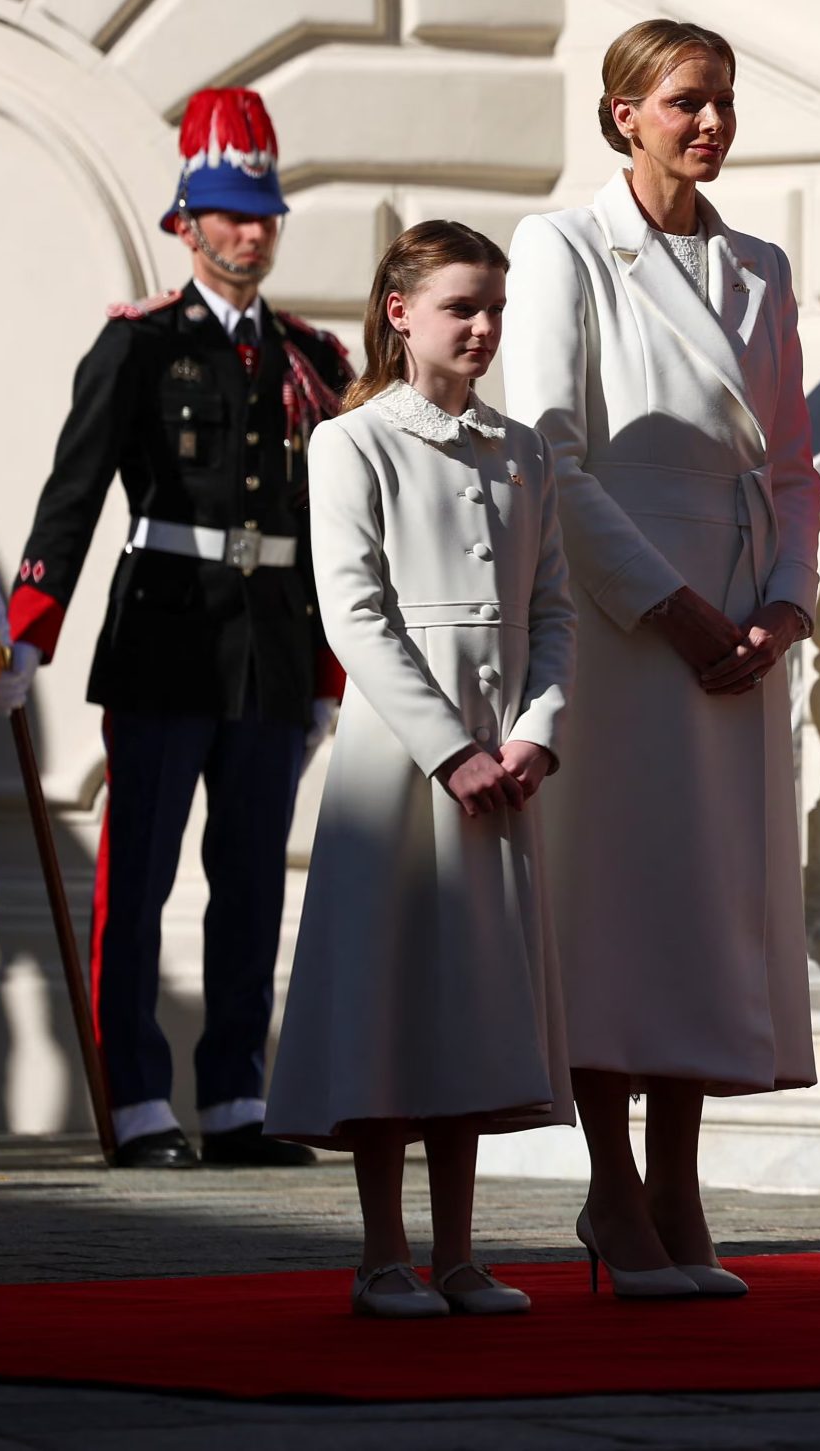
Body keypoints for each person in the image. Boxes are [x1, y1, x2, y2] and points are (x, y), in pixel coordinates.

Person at [502, 20, 819, 1301]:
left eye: (725, 101)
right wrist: (670, 606)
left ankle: (682, 1182)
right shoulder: (566, 245)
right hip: (629, 619)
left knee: (707, 905)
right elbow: (549, 451)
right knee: (615, 898)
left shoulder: (760, 263)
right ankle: (611, 1187)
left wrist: (787, 603)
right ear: (623, 112)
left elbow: (793, 464)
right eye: (687, 101)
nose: (712, 123)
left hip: (741, 615)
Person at [0, 88, 351, 1169]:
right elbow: (76, 492)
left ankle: (236, 1097)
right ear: (185, 220)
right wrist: (30, 628)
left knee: (249, 878)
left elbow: (328, 526)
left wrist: (328, 668)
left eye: (265, 212)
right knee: (139, 880)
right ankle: (137, 1098)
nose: (252, 231)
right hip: (163, 640)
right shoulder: (141, 344)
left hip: (272, 654)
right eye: (232, 211)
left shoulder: (311, 359)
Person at [265, 221, 575, 1318]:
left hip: (504, 757)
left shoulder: (523, 448)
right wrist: (450, 751)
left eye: (494, 306)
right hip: (401, 765)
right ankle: (383, 1253)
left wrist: (535, 728)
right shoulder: (353, 443)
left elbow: (551, 611)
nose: (484, 327)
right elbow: (355, 615)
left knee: (473, 1002)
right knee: (390, 995)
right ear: (399, 313)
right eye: (461, 306)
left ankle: (459, 1252)